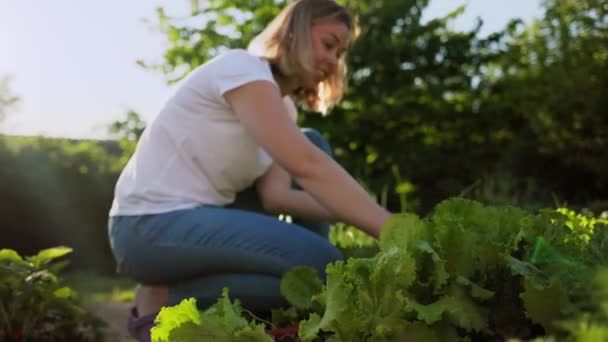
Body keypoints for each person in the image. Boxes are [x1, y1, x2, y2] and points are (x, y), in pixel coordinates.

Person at [107, 0, 392, 340]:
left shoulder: (283, 108)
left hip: (194, 223)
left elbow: (275, 197)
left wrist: (352, 212)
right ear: (294, 32)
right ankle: (164, 299)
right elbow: (307, 166)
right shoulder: (242, 69)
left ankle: (311, 304)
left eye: (340, 53)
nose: (333, 61)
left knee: (312, 145)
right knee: (323, 269)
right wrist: (388, 226)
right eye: (328, 44)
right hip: (148, 226)